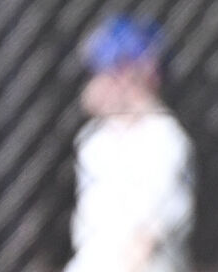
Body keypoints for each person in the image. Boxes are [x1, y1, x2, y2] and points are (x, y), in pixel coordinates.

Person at [65, 15, 195, 272]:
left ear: (139, 79)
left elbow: (170, 208)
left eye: (107, 74)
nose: (95, 85)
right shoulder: (93, 139)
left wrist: (144, 243)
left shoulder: (162, 136)